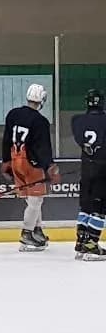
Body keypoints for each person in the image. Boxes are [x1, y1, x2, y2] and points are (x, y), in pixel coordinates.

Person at [0, 83, 60, 252]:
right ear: (42, 99)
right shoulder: (41, 121)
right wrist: (49, 167)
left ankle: (36, 230)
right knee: (36, 199)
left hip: (15, 160)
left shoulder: (13, 114)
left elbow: (6, 139)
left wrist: (6, 161)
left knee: (31, 199)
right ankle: (27, 234)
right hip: (31, 164)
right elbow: (43, 148)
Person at [71, 89, 106, 261]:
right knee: (99, 208)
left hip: (86, 168)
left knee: (85, 206)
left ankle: (81, 241)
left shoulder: (77, 120)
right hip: (102, 169)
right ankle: (92, 244)